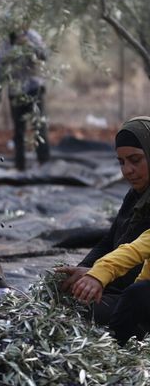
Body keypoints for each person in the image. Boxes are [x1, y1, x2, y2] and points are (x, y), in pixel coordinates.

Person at [56, 116, 150, 328]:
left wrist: (97, 276)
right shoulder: (135, 196)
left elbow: (136, 257)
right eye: (121, 162)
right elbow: (110, 240)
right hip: (118, 283)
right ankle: (4, 299)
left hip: (138, 292)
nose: (127, 170)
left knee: (79, 313)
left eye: (135, 160)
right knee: (63, 292)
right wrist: (85, 269)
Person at [0, 27, 50, 171]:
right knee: (19, 131)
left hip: (34, 89)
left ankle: (44, 164)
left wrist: (28, 45)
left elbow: (44, 55)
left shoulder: (32, 36)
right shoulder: (6, 43)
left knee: (39, 127)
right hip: (15, 92)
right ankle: (20, 166)